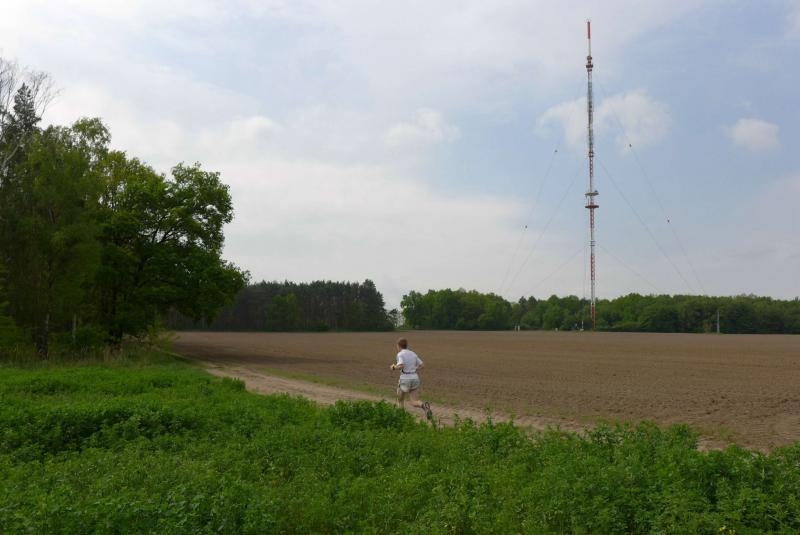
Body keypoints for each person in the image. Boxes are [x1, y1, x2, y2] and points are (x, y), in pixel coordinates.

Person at [390, 337, 433, 420]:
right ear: (406, 345)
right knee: (414, 401)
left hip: (405, 379)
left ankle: (401, 418)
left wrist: (393, 367)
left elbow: (401, 365)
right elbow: (422, 365)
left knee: (400, 400)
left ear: (398, 346)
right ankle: (424, 406)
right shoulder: (413, 353)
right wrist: (414, 369)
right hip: (415, 378)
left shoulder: (400, 354)